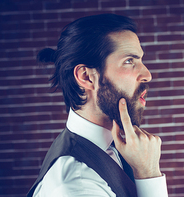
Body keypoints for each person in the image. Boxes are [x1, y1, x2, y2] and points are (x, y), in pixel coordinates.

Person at [27, 13, 168, 197]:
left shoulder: (115, 144)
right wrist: (149, 174)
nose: (147, 74)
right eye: (129, 61)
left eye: (141, 60)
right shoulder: (78, 186)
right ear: (86, 77)